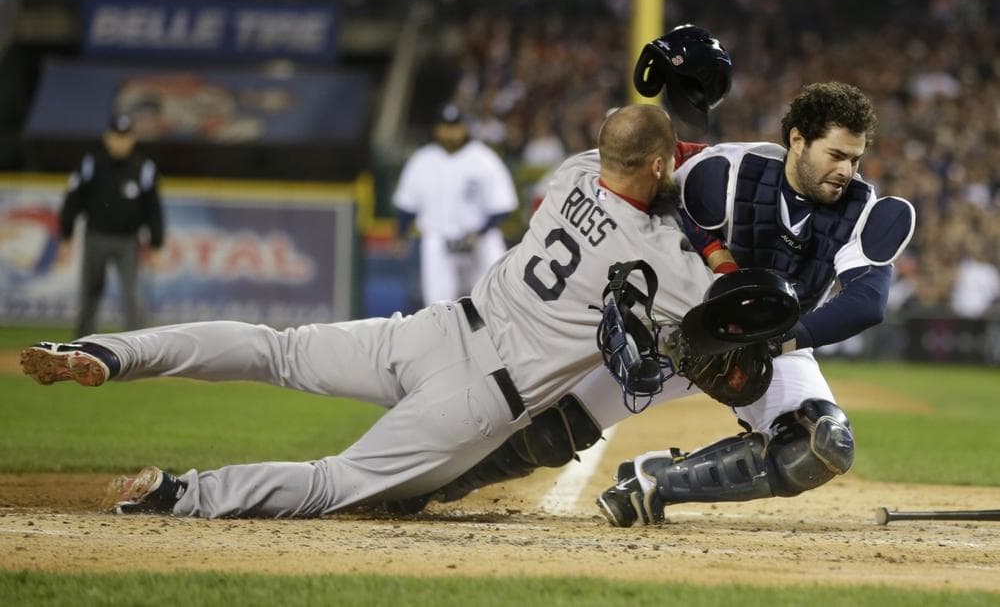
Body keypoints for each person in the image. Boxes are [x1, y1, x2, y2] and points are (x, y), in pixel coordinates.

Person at [20, 103, 727, 519]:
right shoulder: (661, 257)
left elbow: (639, 153)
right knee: (337, 482)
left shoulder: (573, 171)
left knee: (276, 349)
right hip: (482, 395)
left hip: (435, 329)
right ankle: (181, 495)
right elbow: (726, 303)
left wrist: (662, 154)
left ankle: (114, 350)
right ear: (663, 164)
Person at [593, 80, 917, 526]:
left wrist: (778, 343)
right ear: (797, 140)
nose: (847, 170)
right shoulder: (729, 170)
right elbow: (668, 203)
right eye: (836, 155)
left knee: (822, 446)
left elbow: (867, 302)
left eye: (855, 158)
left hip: (768, 344)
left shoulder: (863, 210)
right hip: (679, 327)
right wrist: (716, 260)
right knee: (548, 427)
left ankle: (653, 482)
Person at [393, 103, 519, 305]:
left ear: (464, 128)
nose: (450, 133)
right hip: (438, 240)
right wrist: (401, 234)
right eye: (446, 127)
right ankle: (445, 337)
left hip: (480, 240)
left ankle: (493, 336)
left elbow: (503, 206)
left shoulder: (484, 158)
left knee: (493, 301)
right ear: (436, 129)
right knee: (438, 307)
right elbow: (406, 205)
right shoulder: (422, 160)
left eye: (455, 127)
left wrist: (480, 232)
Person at [58, 112, 164, 339]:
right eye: (116, 136)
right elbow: (73, 199)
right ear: (108, 137)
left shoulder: (143, 167)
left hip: (128, 241)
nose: (120, 141)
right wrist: (66, 235)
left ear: (132, 138)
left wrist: (156, 243)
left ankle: (137, 347)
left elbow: (154, 208)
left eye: (125, 136)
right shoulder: (92, 163)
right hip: (96, 236)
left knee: (132, 294)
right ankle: (82, 343)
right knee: (90, 292)